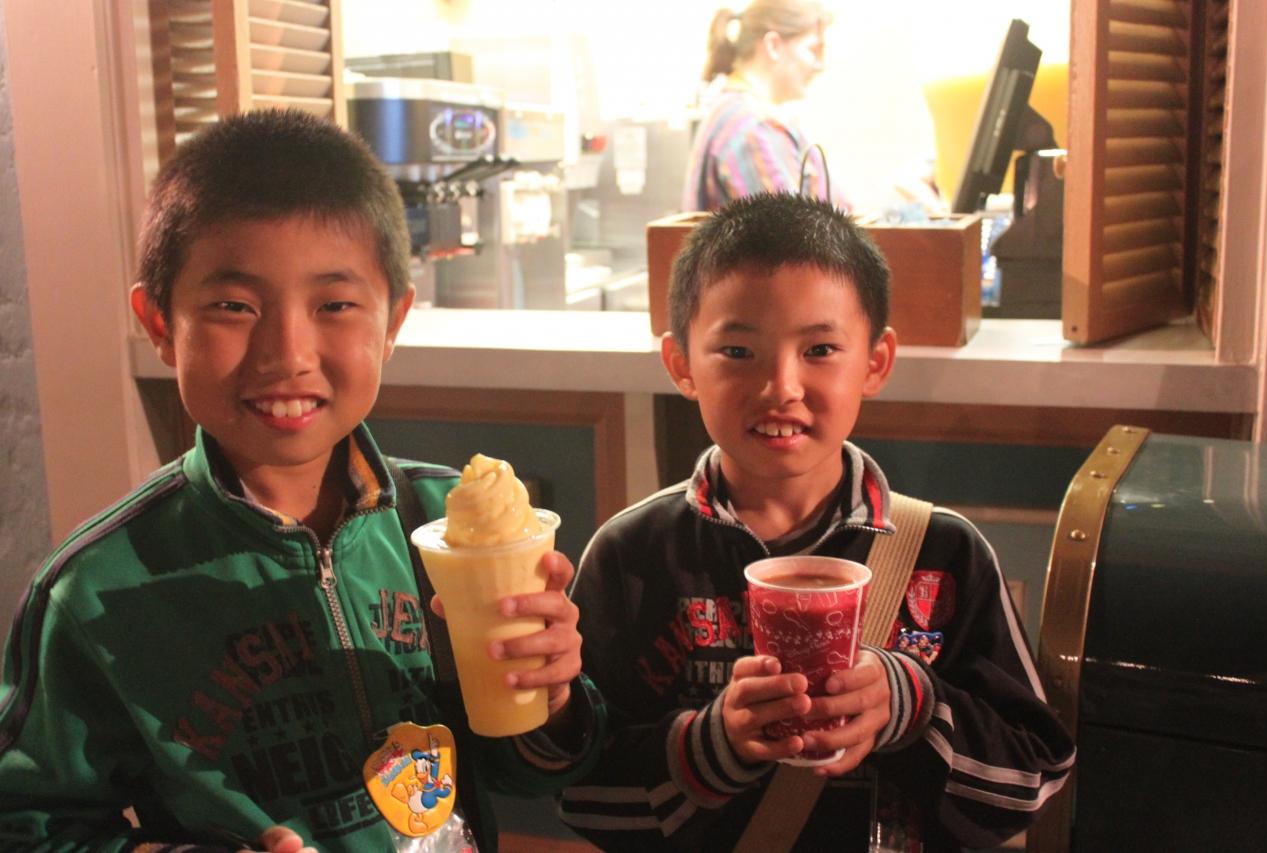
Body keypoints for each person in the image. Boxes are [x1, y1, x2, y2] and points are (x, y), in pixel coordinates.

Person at [0, 109, 602, 852]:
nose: (287, 353)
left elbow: (533, 770)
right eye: (234, 306)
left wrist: (552, 694)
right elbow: (27, 828)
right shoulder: (94, 589)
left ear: (392, 321)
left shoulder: (439, 527)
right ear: (159, 322)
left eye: (335, 305)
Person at [559, 192, 1075, 851]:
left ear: (876, 362)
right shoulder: (633, 554)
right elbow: (582, 794)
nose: (781, 386)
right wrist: (709, 747)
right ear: (682, 365)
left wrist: (910, 703)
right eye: (738, 351)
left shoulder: (945, 553)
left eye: (821, 348)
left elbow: (1035, 777)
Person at [683, 1, 844, 212]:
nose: (820, 66)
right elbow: (787, 230)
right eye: (813, 49)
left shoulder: (733, 112)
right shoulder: (753, 129)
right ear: (773, 46)